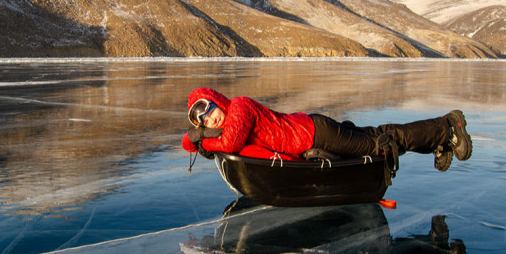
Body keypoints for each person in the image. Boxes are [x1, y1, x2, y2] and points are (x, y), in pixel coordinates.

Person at [182, 87, 472, 172]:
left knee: (379, 144)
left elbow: (231, 143)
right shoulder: (227, 120)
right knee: (375, 133)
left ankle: (448, 127)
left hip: (316, 133)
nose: (209, 120)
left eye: (208, 109)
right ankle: (439, 138)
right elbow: (191, 142)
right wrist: (195, 138)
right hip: (311, 133)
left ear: (217, 100)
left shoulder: (240, 107)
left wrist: (202, 139)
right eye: (202, 120)